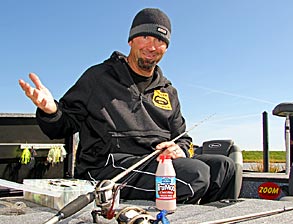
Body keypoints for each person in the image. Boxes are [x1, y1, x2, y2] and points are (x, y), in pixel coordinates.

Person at [19, 8, 238, 204]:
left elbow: (182, 137)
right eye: (145, 36)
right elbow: (63, 126)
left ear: (167, 47)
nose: (152, 46)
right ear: (131, 40)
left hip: (156, 162)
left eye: (160, 41)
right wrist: (51, 110)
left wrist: (179, 148)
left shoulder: (169, 91)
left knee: (225, 167)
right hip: (106, 168)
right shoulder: (98, 77)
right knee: (195, 173)